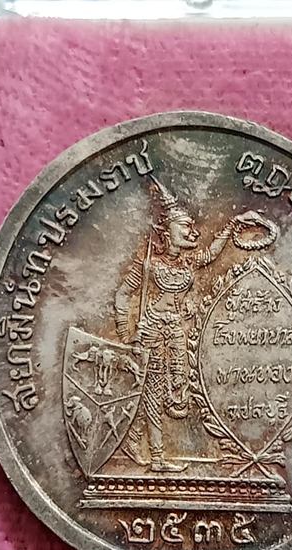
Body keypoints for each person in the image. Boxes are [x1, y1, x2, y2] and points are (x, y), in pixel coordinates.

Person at [114, 175, 264, 472]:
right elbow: (123, 294)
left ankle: (131, 437)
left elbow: (211, 254)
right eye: (184, 226)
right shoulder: (148, 264)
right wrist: (126, 333)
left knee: (179, 386)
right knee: (153, 390)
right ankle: (157, 458)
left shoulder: (188, 262)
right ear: (167, 231)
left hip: (175, 330)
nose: (191, 231)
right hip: (151, 330)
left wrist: (233, 224)